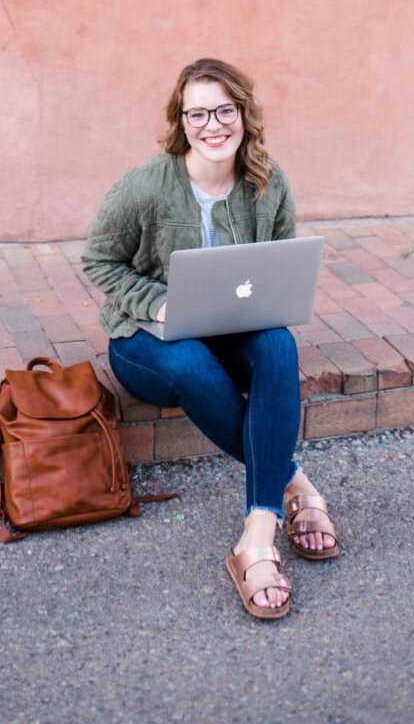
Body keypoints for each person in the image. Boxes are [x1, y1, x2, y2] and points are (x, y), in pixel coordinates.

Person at [82, 58, 338, 620]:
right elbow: (98, 261)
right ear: (182, 121)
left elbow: (276, 261)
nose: (212, 124)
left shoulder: (268, 182)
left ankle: (256, 535)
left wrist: (269, 301)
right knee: (192, 362)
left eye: (224, 110)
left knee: (278, 346)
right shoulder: (144, 186)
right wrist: (160, 302)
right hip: (146, 341)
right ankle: (293, 484)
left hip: (231, 329)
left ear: (244, 113)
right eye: (197, 113)